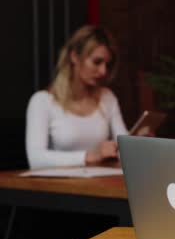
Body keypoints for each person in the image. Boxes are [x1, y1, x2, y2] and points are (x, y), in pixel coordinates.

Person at [26, 25, 128, 169]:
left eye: (107, 64)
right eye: (97, 62)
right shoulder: (42, 101)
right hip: (57, 187)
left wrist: (138, 144)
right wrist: (89, 156)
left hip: (100, 184)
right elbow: (36, 159)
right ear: (74, 56)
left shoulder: (107, 97)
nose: (103, 71)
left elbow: (124, 149)